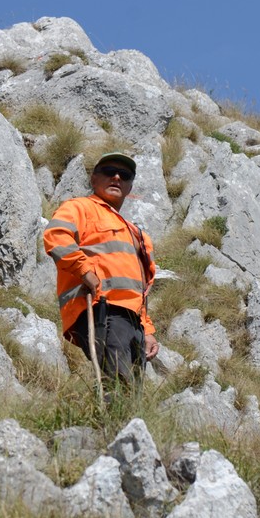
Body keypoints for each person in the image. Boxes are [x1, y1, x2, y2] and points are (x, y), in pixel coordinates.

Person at [43, 152, 160, 385]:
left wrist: (147, 329)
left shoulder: (135, 233)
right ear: (94, 179)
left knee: (132, 390)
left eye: (124, 175)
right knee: (117, 379)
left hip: (132, 320)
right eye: (109, 172)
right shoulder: (80, 207)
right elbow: (56, 234)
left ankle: (119, 421)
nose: (116, 177)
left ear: (129, 187)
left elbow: (140, 289)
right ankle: (103, 421)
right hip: (102, 309)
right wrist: (85, 269)